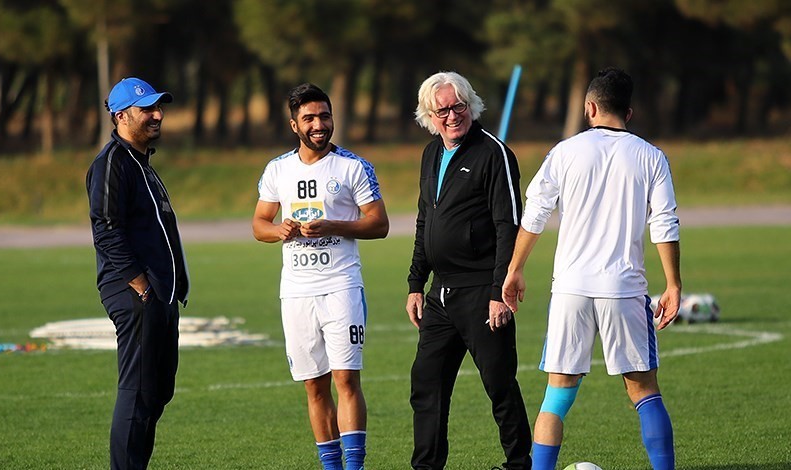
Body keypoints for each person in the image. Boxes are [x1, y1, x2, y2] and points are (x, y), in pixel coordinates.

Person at [502, 67, 680, 470]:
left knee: (557, 394)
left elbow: (535, 213)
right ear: (629, 113)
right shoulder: (651, 156)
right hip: (624, 288)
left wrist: (515, 268)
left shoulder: (564, 152)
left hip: (570, 289)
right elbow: (664, 222)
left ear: (590, 107)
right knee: (644, 390)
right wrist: (673, 283)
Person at [252, 83, 389, 470]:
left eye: (324, 116)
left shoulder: (352, 166)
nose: (319, 124)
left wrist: (333, 225)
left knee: (346, 379)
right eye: (309, 118)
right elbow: (259, 223)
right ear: (294, 124)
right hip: (296, 291)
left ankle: (354, 466)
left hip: (341, 285)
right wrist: (279, 230)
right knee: (314, 384)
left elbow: (378, 224)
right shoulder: (277, 169)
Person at [406, 71, 532, 470]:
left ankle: (518, 464)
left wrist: (500, 291)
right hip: (440, 295)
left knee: (499, 384)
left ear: (471, 105)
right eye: (441, 109)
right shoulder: (430, 153)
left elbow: (509, 225)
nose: (451, 115)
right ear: (429, 115)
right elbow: (425, 220)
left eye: (458, 105)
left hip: (482, 292)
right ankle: (426, 467)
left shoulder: (493, 153)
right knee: (426, 384)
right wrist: (415, 283)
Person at [86, 77, 190, 470]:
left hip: (159, 294)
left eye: (158, 107)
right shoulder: (112, 163)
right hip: (136, 294)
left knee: (157, 391)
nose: (157, 115)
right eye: (147, 109)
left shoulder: (141, 164)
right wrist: (141, 286)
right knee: (137, 392)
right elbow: (106, 230)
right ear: (121, 115)